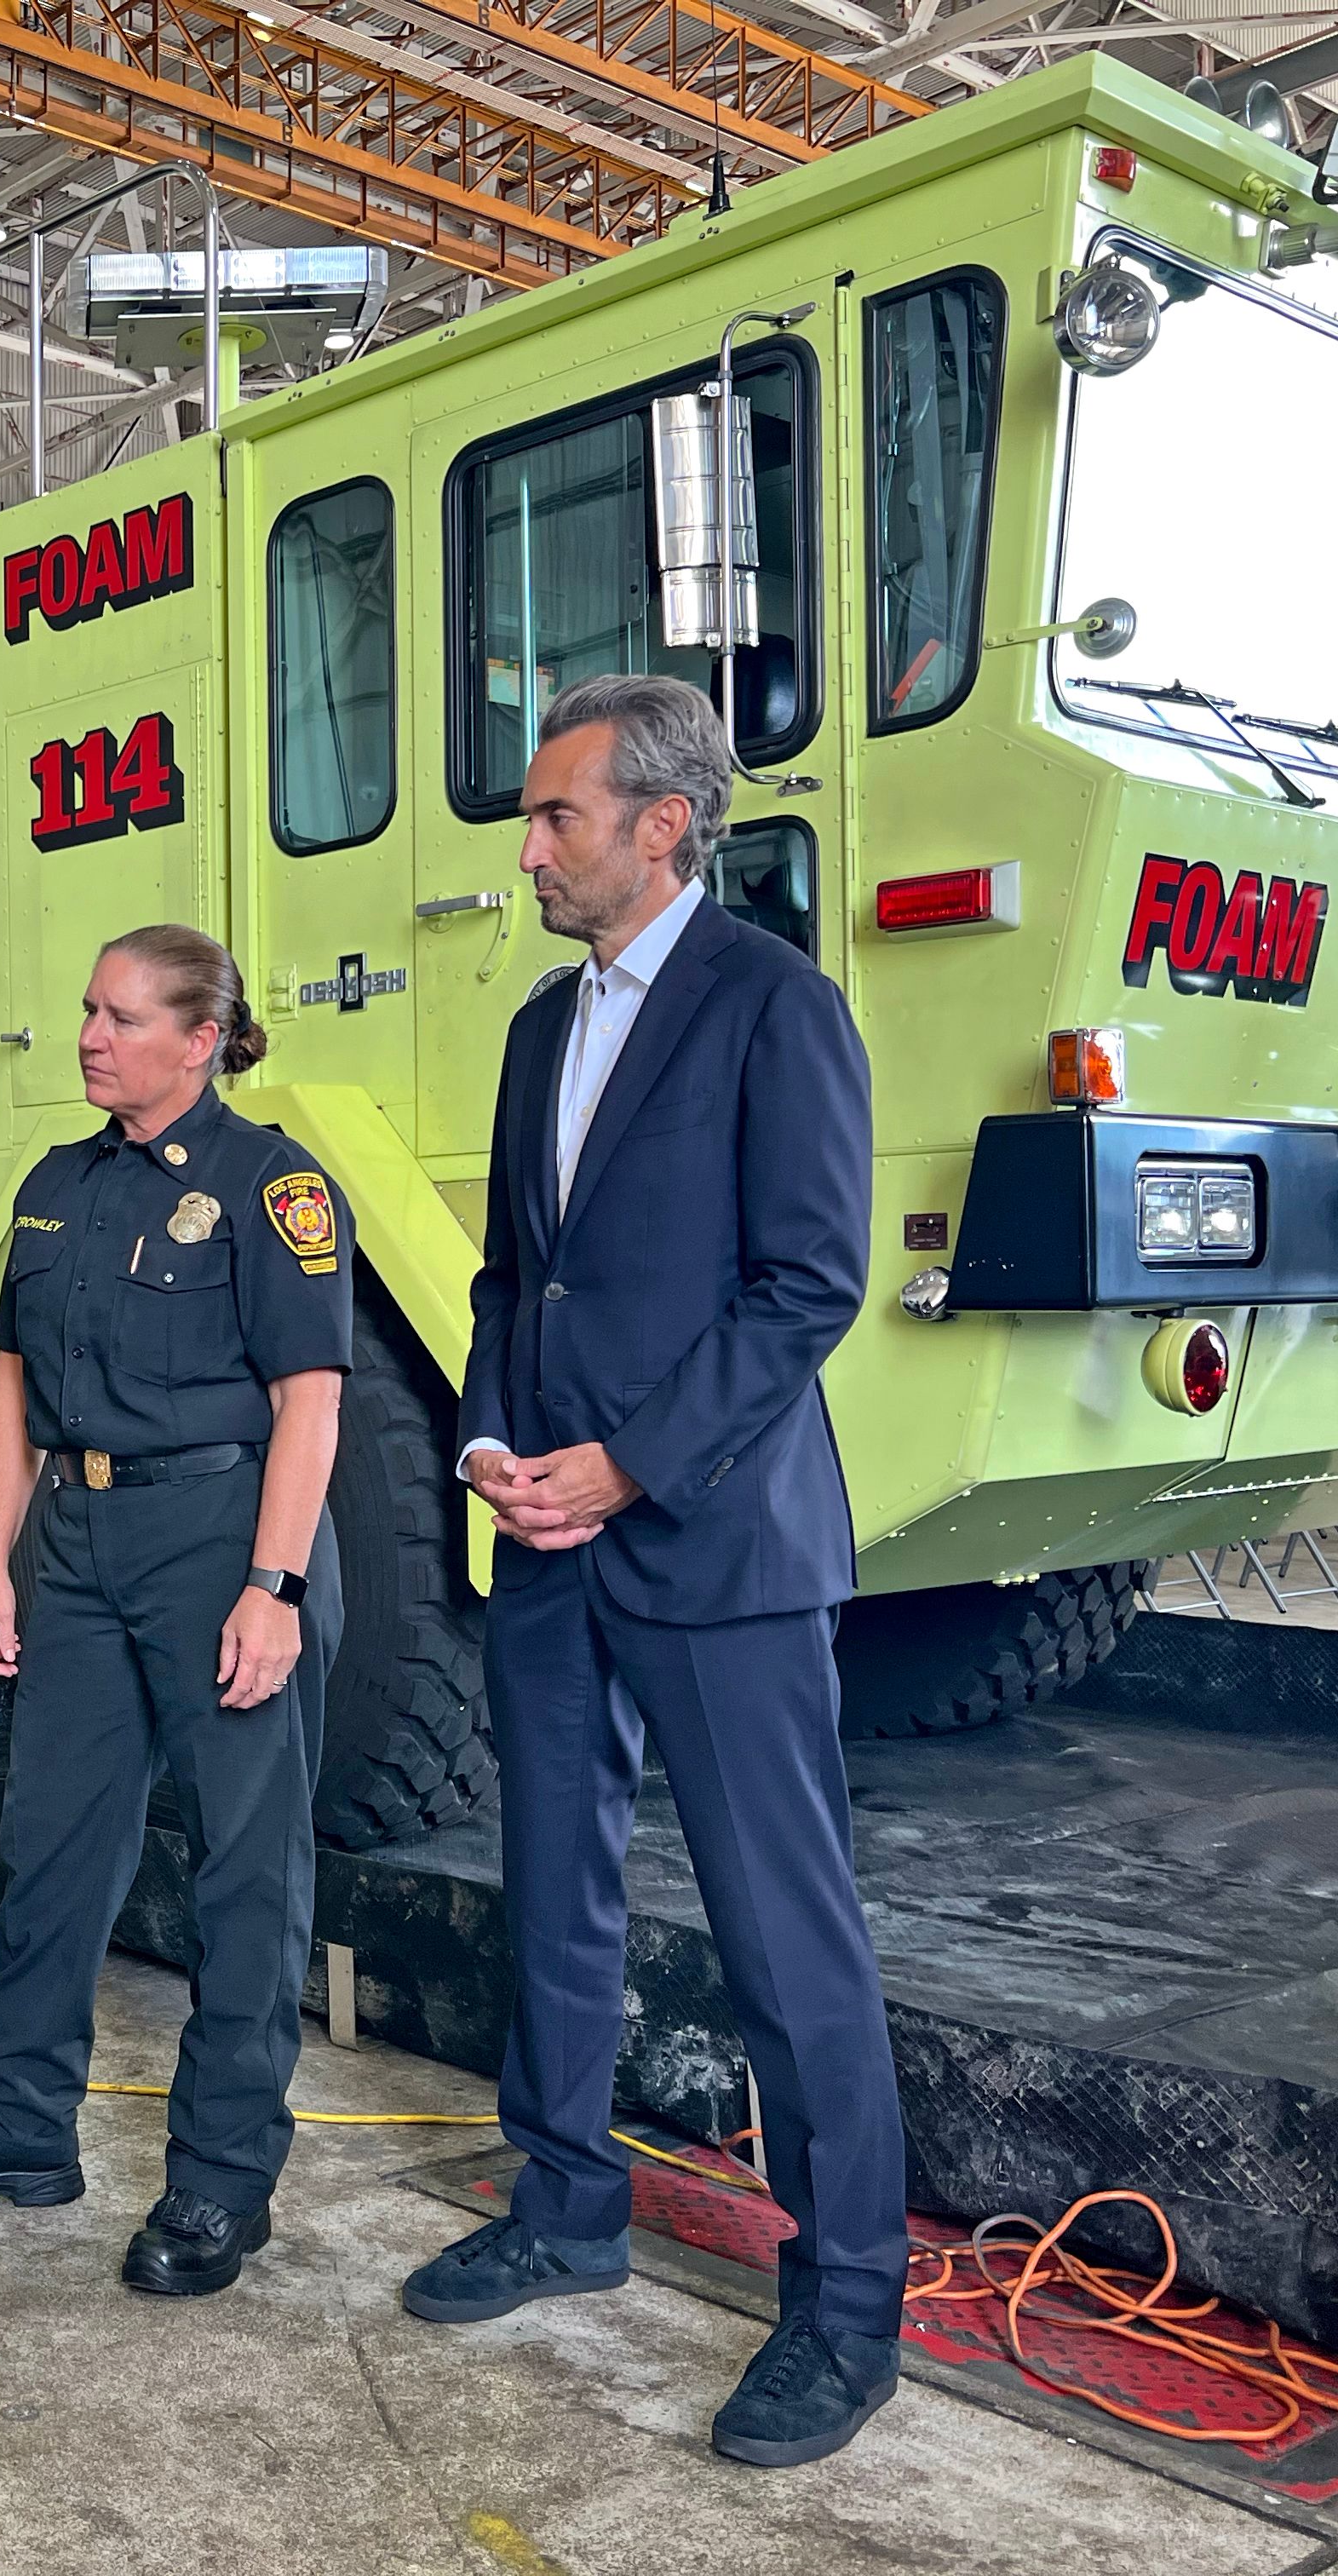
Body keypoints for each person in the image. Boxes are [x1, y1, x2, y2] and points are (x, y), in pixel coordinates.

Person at [397, 673, 903, 2468]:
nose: (527, 847)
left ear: (664, 825)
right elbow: (508, 1284)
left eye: (556, 817)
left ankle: (845, 2317)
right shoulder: (546, 1027)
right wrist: (486, 1447)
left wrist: (627, 1466)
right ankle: (564, 2205)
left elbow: (808, 1287)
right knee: (555, 1890)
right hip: (546, 1539)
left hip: (716, 1545)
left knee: (787, 1942)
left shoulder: (777, 1008)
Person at [0, 927, 348, 2297]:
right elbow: (12, 1386)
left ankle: (221, 2182)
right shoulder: (56, 1186)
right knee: (52, 1839)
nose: (89, 1035)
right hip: (75, 1538)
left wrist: (274, 1585)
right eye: (86, 1009)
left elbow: (311, 1401)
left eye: (124, 1017)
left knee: (245, 1868)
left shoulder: (271, 1186)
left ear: (202, 1040)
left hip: (217, 1537)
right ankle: (17, 2128)